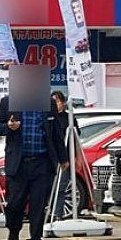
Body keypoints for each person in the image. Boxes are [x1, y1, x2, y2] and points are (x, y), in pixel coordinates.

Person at [0, 94, 69, 240]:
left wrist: (63, 158)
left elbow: (56, 132)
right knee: (15, 203)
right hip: (18, 163)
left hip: (42, 162)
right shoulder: (8, 102)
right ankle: (13, 229)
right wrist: (8, 126)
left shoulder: (48, 103)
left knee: (38, 204)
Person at [50, 90, 79, 219]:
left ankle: (58, 215)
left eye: (57, 101)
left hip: (66, 157)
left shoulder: (68, 118)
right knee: (51, 187)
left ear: (62, 102)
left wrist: (76, 157)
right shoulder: (49, 118)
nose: (55, 104)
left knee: (61, 187)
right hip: (52, 158)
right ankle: (51, 213)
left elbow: (75, 137)